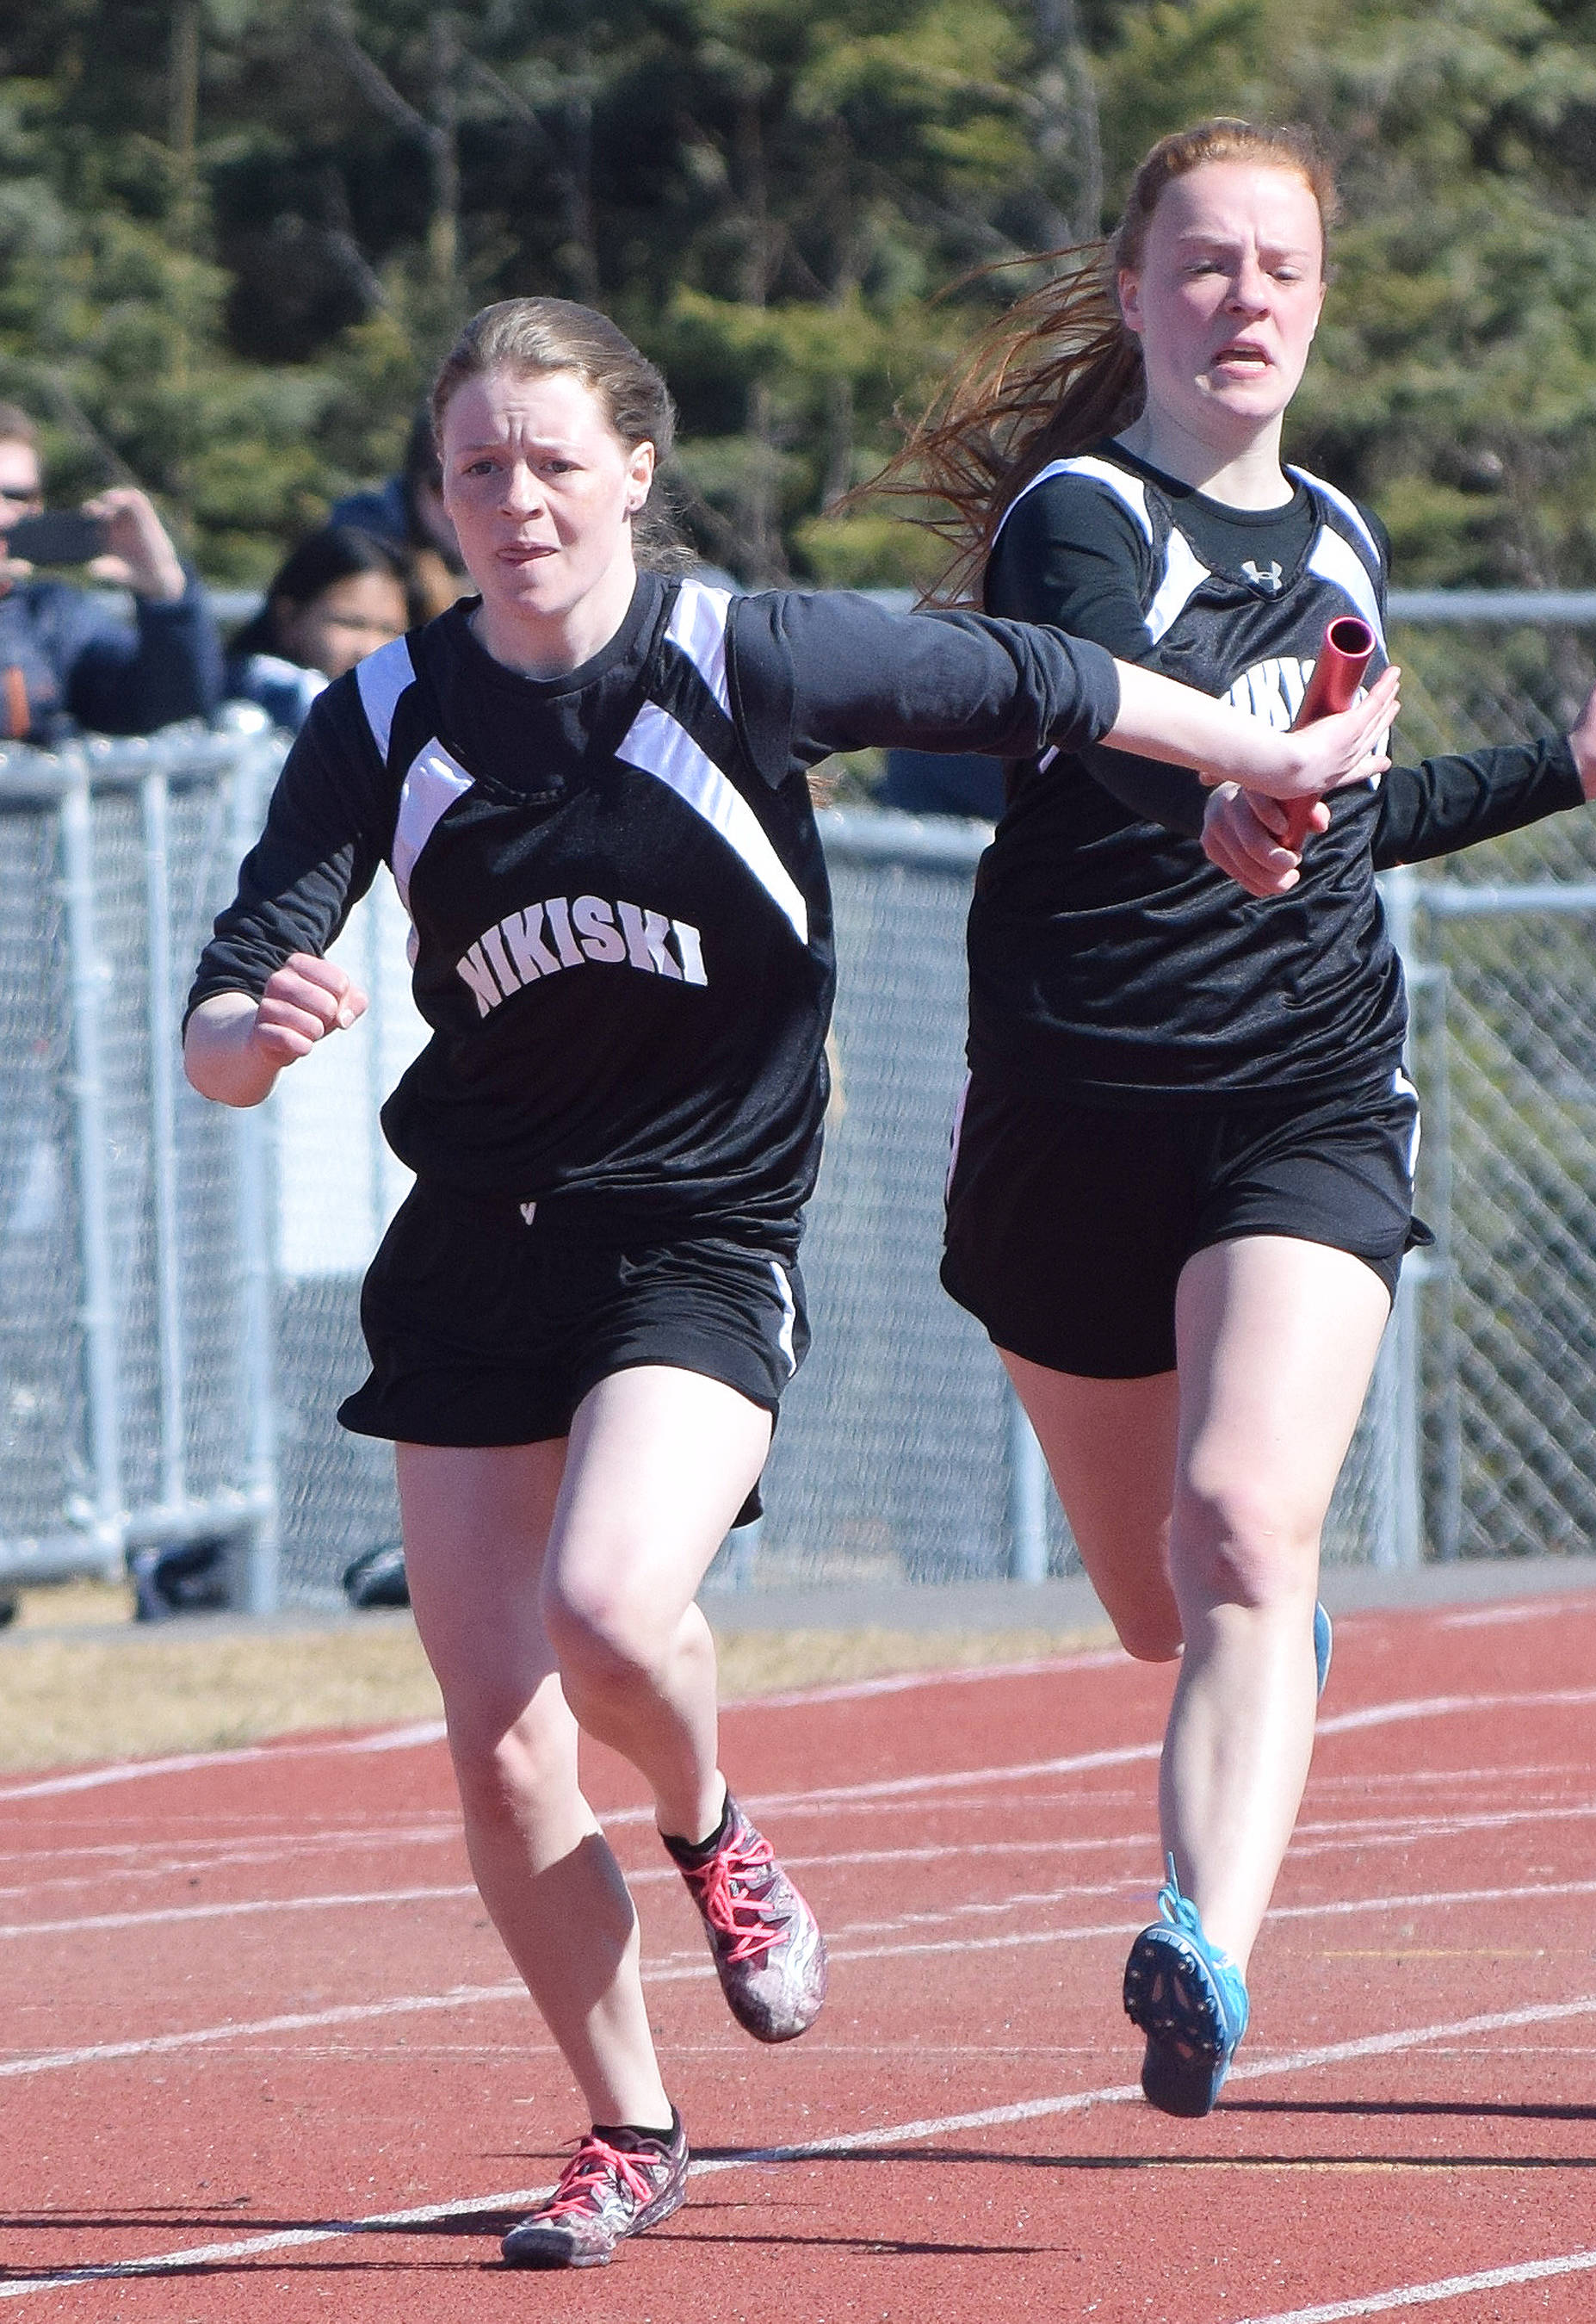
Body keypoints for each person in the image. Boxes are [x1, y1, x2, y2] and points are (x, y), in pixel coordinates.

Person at [182, 294, 1400, 2271]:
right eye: (476, 471)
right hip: (471, 1242)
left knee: (602, 1605)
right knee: (495, 1729)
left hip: (697, 1230)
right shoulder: (385, 712)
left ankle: (710, 1810)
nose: (515, 503)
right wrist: (260, 1026)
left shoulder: (732, 652)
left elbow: (1039, 678)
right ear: (441, 493)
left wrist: (1256, 750)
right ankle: (626, 2121)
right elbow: (228, 1005)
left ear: (634, 474)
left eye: (554, 463)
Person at [870, 118, 1596, 2120]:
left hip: (1299, 1097)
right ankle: (1266, 1654)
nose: (1245, 300)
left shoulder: (1331, 533)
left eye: (1281, 270)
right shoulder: (1081, 512)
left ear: (1318, 306)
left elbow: (1339, 817)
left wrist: (1554, 770)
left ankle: (1199, 1937)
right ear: (1138, 289)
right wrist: (1226, 794)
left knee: (1240, 1518)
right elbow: (1092, 705)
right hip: (1071, 1115)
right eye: (1208, 264)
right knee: (1160, 1596)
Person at [0, 403, 221, 745]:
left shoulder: (52, 618)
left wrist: (167, 599)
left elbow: (171, 707)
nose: (3, 517)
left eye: (16, 495)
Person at [224, 526, 415, 732]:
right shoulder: (250, 693)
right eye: (350, 623)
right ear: (289, 618)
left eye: (390, 630)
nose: (370, 649)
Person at [331, 409, 471, 621]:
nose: (458, 505)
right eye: (440, 486)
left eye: (485, 480)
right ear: (414, 483)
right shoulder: (361, 530)